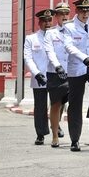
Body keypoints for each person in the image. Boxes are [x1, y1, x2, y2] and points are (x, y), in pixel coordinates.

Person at [62, 0, 89, 152]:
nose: (85, 14)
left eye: (87, 10)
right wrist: (84, 58)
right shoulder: (69, 27)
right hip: (77, 67)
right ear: (76, 11)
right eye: (82, 10)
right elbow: (69, 47)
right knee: (75, 103)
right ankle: (75, 139)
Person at [43, 2, 72, 147]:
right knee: (56, 104)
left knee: (72, 104)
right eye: (61, 14)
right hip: (55, 73)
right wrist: (58, 66)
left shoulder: (75, 30)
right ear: (56, 16)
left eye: (66, 13)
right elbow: (50, 52)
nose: (64, 16)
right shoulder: (50, 33)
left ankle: (74, 136)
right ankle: (55, 135)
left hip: (72, 72)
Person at [24, 9, 53, 145]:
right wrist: (37, 73)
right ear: (39, 22)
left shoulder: (57, 36)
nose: (47, 23)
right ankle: (40, 133)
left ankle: (55, 126)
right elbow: (28, 58)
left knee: (58, 103)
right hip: (39, 77)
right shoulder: (31, 39)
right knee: (40, 107)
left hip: (55, 76)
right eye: (45, 21)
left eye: (49, 20)